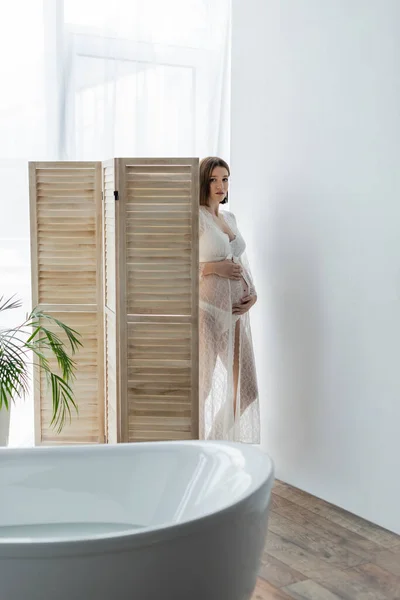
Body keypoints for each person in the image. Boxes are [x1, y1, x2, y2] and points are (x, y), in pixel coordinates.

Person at [199, 156, 260, 442]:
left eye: (225, 179)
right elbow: (178, 265)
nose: (220, 186)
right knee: (203, 389)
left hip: (235, 313)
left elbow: (240, 259)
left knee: (247, 389)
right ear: (203, 181)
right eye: (213, 179)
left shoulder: (229, 218)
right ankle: (191, 451)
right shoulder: (194, 217)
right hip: (207, 312)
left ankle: (213, 442)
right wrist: (213, 268)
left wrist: (253, 292)